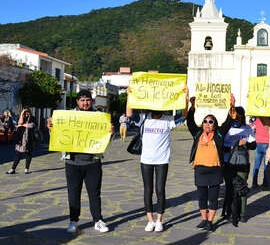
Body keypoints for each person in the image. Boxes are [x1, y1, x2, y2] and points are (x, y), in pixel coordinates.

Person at [47, 89, 114, 234]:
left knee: (94, 193)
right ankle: (73, 221)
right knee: (73, 193)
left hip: (93, 162)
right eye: (82, 100)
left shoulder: (99, 117)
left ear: (92, 101)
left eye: (88, 100)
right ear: (77, 101)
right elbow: (57, 135)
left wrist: (110, 133)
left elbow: (105, 140)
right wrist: (51, 128)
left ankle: (98, 220)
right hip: (72, 163)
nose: (85, 103)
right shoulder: (67, 116)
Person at [126, 87, 188, 233]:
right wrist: (129, 95)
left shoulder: (167, 120)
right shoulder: (144, 118)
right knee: (148, 191)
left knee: (160, 190)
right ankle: (150, 220)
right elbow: (129, 114)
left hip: (162, 161)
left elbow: (183, 116)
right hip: (146, 160)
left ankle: (159, 220)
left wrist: (186, 96)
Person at [187, 96, 236, 233]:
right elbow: (190, 121)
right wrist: (192, 106)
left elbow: (229, 120)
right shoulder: (197, 134)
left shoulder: (219, 134)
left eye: (211, 122)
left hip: (215, 170)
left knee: (213, 197)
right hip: (200, 170)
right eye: (205, 121)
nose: (207, 124)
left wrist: (232, 106)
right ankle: (204, 219)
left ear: (215, 124)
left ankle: (210, 221)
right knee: (202, 197)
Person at [222, 106, 256, 225]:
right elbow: (220, 146)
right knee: (229, 188)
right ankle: (229, 211)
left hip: (242, 163)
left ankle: (242, 213)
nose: (237, 118)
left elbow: (254, 145)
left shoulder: (247, 128)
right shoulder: (226, 128)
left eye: (239, 115)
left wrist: (246, 143)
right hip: (228, 162)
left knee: (241, 188)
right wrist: (230, 148)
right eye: (234, 115)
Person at [6, 108, 36, 174]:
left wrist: (21, 125)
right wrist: (22, 114)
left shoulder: (32, 118)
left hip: (29, 139)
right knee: (18, 154)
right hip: (21, 139)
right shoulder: (22, 118)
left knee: (28, 153)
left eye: (27, 112)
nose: (26, 113)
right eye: (25, 112)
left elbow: (31, 125)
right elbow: (20, 122)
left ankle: (26, 169)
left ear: (30, 112)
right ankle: (12, 169)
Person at [250, 117, 270, 189]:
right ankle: (265, 183)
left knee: (256, 165)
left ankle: (254, 182)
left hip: (258, 143)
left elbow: (251, 129)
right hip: (267, 143)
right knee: (266, 165)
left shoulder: (257, 120)